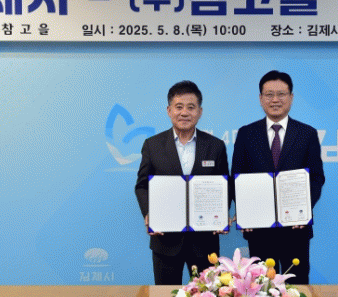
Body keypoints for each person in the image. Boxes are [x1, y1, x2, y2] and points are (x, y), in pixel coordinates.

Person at [231, 71, 325, 284]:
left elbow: (316, 178)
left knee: (297, 288)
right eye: (269, 94)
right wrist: (245, 212)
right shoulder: (246, 134)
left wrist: (304, 210)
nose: (275, 100)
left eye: (281, 94)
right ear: (260, 98)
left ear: (291, 97)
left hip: (296, 229)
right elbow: (237, 178)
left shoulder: (307, 134)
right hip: (259, 230)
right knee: (260, 288)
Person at [135, 81, 229, 285]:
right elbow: (142, 186)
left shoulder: (216, 146)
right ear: (169, 111)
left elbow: (225, 186)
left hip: (205, 242)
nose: (184, 113)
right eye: (179, 107)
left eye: (191, 107)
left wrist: (221, 214)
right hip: (165, 241)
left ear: (200, 112)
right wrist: (149, 213)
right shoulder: (152, 145)